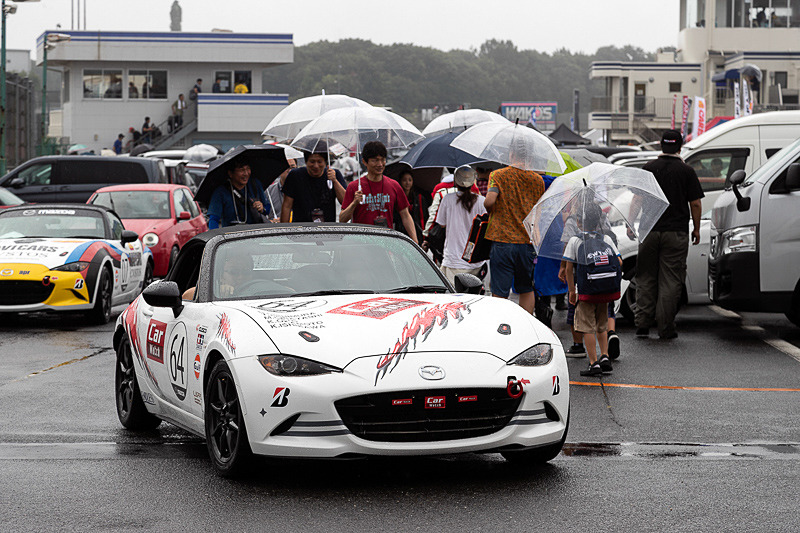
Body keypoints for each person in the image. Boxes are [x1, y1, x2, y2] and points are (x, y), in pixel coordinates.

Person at [629, 129, 703, 339]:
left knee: (645, 276)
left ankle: (642, 323)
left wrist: (630, 224)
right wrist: (696, 228)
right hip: (676, 232)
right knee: (671, 280)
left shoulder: (649, 169)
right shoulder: (686, 171)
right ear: (679, 147)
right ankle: (665, 328)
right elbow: (695, 203)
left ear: (661, 146)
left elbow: (637, 199)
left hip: (649, 229)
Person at [483, 145, 546, 314]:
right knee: (526, 288)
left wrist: (492, 210)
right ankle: (526, 324)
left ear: (511, 155)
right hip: (526, 241)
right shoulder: (537, 180)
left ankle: (502, 325)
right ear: (530, 159)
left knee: (500, 291)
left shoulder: (498, 175)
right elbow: (537, 213)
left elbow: (489, 202)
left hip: (502, 240)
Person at [563, 203, 622, 376]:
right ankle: (605, 356)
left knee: (587, 327)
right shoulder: (606, 239)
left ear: (579, 222)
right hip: (604, 292)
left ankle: (593, 362)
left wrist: (572, 291)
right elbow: (619, 262)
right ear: (598, 222)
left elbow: (568, 268)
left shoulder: (575, 241)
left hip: (586, 292)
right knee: (602, 325)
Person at [340, 141, 418, 243]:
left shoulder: (394, 185)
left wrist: (415, 241)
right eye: (375, 160)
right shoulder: (354, 187)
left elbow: (405, 215)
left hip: (386, 243)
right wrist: (354, 203)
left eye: (382, 160)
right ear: (364, 162)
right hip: (360, 244)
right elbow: (342, 219)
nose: (380, 164)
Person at [435, 166, 487, 284]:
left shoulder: (447, 199)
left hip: (453, 260)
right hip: (476, 261)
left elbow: (441, 224)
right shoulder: (481, 201)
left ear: (455, 182)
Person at [280, 146, 346, 223]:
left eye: (319, 162)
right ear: (306, 162)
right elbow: (286, 206)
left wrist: (334, 181)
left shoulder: (334, 174)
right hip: (301, 228)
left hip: (327, 229)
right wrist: (284, 229)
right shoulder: (295, 175)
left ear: (325, 162)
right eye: (312, 161)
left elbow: (345, 202)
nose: (316, 166)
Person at [207, 157, 271, 229]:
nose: (246, 173)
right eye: (242, 170)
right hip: (232, 235)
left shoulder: (255, 184)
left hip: (255, 233)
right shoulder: (221, 192)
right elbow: (214, 219)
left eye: (248, 169)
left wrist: (262, 208)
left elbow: (267, 208)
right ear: (230, 173)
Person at [394, 169, 430, 240]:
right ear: (400, 182)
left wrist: (424, 236)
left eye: (410, 180)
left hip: (417, 233)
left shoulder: (419, 198)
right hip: (401, 233)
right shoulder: (397, 198)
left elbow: (423, 218)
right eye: (404, 180)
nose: (407, 183)